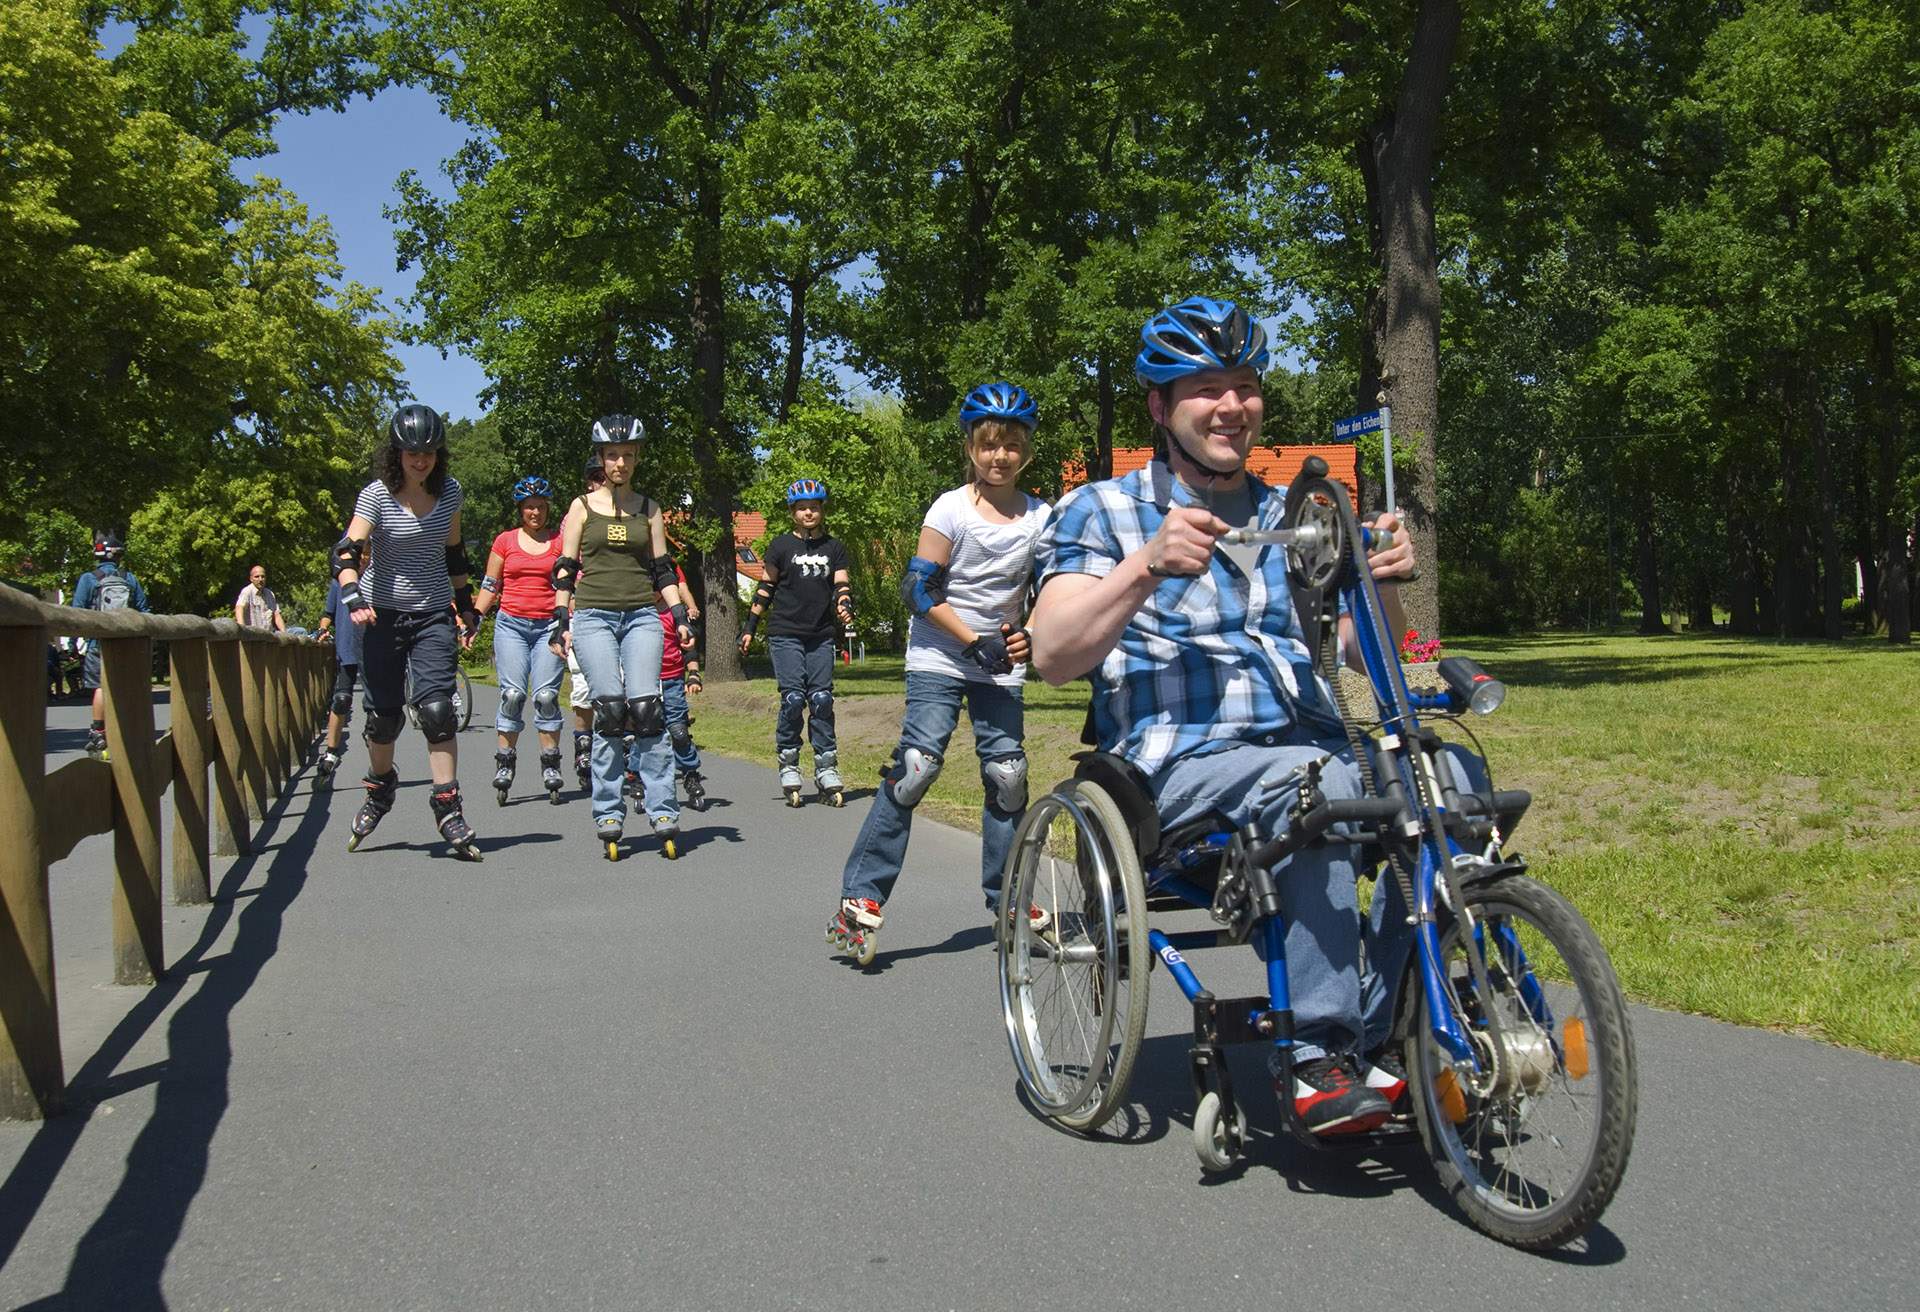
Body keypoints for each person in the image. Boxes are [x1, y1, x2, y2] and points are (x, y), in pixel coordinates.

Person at [1027, 296, 1449, 1138]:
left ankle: (1393, 1026)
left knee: (1452, 776)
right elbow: (1051, 653)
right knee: (1317, 785)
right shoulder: (1100, 512)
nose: (1232, 406)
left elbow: (1378, 656)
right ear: (1159, 406)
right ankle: (1317, 1060)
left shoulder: (1297, 515)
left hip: (1310, 739)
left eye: (1246, 386)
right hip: (1176, 765)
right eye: (1206, 388)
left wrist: (1383, 583)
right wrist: (1143, 566)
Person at [827, 383, 1051, 962]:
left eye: (1012, 445)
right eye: (989, 444)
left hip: (998, 660)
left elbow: (1050, 594)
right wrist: (970, 639)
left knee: (1008, 777)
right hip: (941, 650)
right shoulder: (950, 508)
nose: (999, 456)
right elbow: (917, 588)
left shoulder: (1041, 517)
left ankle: (1008, 897)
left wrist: (1031, 633)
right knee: (917, 768)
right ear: (971, 447)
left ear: (1027, 451)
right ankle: (861, 899)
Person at [330, 403, 484, 859]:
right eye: (412, 453)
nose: (421, 461)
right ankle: (380, 788)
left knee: (438, 710)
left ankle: (447, 805)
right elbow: (346, 550)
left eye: (430, 453)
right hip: (381, 614)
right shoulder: (376, 495)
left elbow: (454, 554)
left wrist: (465, 606)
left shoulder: (450, 492)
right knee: (383, 718)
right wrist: (353, 595)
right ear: (395, 454)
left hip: (433, 612)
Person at [548, 414, 693, 859]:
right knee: (610, 710)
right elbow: (566, 567)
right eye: (612, 456)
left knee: (649, 710)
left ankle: (662, 807)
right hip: (593, 617)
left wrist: (679, 614)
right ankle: (608, 810)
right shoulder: (581, 507)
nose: (620, 463)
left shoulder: (648, 508)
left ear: (635, 459)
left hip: (641, 617)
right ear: (600, 459)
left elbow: (663, 568)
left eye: (628, 456)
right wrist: (560, 620)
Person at [738, 478, 853, 805]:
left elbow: (841, 585)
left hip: (820, 634)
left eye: (814, 507)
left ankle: (826, 765)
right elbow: (765, 589)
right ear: (793, 512)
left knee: (821, 699)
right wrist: (749, 626)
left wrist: (845, 605)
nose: (809, 513)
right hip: (785, 632)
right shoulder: (780, 546)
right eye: (802, 508)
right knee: (792, 698)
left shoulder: (835, 547)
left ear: (822, 510)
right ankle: (789, 761)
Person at [474, 475, 568, 804]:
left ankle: (551, 763)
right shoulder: (505, 542)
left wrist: (567, 618)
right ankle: (505, 763)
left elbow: (570, 583)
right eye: (529, 507)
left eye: (541, 507)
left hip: (548, 626)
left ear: (547, 509)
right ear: (520, 510)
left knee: (545, 696)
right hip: (511, 624)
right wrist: (475, 618)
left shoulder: (559, 540)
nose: (535, 513)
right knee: (513, 695)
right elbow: (490, 584)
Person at [71, 532, 152, 758]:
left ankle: (98, 731)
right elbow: (144, 610)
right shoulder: (129, 578)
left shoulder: (89, 578)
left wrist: (78, 641)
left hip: (98, 643)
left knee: (100, 686)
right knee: (125, 684)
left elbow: (77, 610)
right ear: (118, 556)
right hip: (126, 644)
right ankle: (126, 729)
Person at [314, 539, 368, 784]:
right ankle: (331, 751)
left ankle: (377, 758)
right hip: (347, 646)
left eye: (369, 553)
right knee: (341, 699)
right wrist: (323, 629)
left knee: (377, 706)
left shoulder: (379, 578)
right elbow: (329, 613)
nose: (365, 558)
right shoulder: (340, 580)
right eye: (362, 553)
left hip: (373, 649)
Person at [657, 578, 710, 811]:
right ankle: (636, 775)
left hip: (672, 678)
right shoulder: (636, 615)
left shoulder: (674, 615)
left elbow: (688, 649)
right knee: (642, 730)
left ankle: (690, 773)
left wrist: (694, 675)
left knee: (679, 731)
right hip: (643, 681)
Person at [233, 565, 287, 632]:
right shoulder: (247, 591)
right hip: (254, 635)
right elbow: (239, 608)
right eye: (257, 576)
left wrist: (284, 633)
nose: (260, 579)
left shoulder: (270, 594)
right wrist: (242, 630)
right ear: (251, 579)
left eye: (263, 576)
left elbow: (276, 615)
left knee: (299, 631)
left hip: (269, 635)